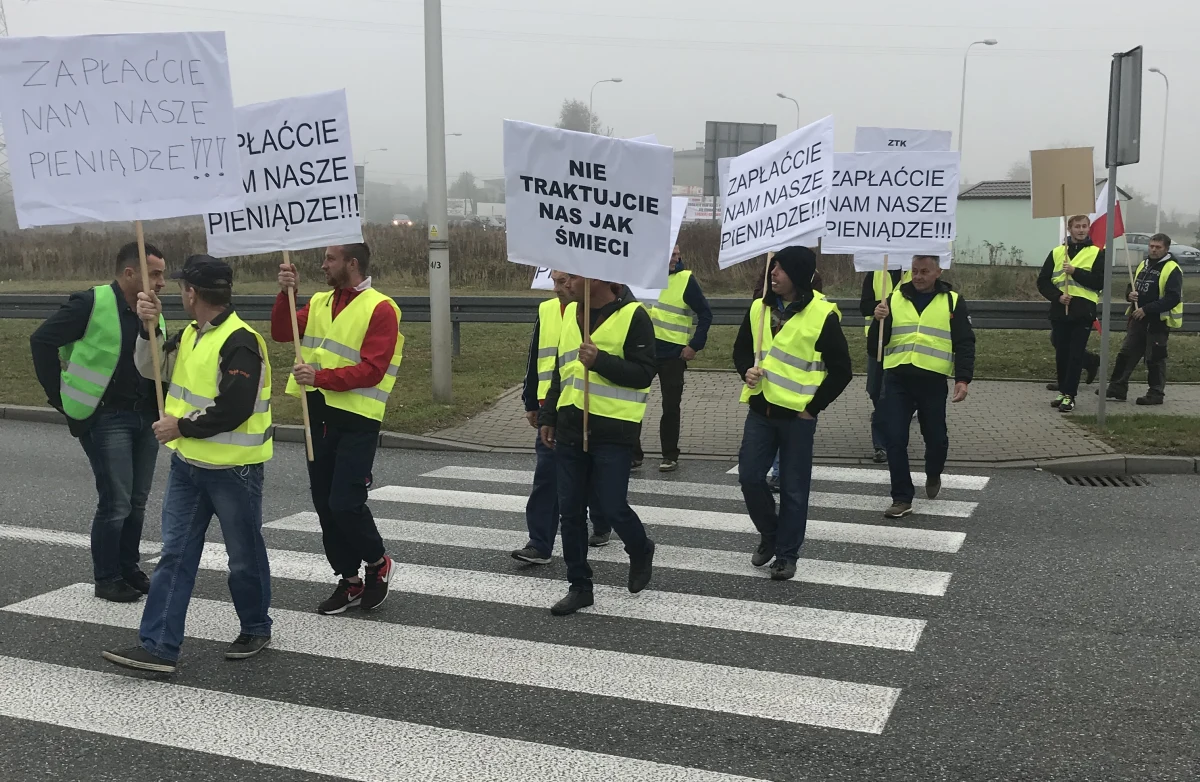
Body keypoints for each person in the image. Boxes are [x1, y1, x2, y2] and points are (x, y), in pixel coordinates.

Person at [102, 255, 274, 674]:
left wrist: (180, 426)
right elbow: (151, 368)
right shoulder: (192, 334)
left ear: (193, 293)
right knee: (175, 556)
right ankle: (159, 646)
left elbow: (234, 407)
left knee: (244, 556)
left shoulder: (241, 341)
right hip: (189, 467)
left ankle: (255, 625)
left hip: (234, 469)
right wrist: (149, 329)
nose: (178, 292)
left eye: (181, 287)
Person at [30, 242, 167, 603]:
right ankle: (107, 578)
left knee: (137, 501)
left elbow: (157, 362)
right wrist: (57, 397)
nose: (162, 282)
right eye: (155, 274)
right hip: (106, 416)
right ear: (129, 274)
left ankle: (128, 568)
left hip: (145, 417)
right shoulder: (90, 303)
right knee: (116, 502)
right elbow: (41, 340)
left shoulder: (152, 309)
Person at [274, 244, 403, 615]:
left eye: (330, 259)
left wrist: (319, 376)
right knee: (324, 505)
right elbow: (284, 332)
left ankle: (378, 563)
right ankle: (349, 580)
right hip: (318, 413)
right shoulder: (318, 302)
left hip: (358, 417)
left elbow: (373, 368)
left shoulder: (381, 307)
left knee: (345, 502)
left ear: (352, 263)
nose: (323, 264)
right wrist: (286, 294)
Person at [539, 276, 657, 615]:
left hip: (614, 431)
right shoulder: (571, 314)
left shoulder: (633, 315)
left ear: (599, 279)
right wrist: (549, 416)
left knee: (611, 505)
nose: (566, 283)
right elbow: (562, 373)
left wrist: (600, 360)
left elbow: (644, 373)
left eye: (572, 277)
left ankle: (640, 547)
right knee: (571, 512)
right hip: (571, 428)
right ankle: (579, 585)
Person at [733, 248, 852, 580]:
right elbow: (741, 349)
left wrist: (813, 408)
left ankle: (786, 554)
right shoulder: (759, 307)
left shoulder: (822, 315)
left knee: (794, 488)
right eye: (773, 268)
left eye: (781, 270)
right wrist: (746, 370)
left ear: (798, 275)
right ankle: (770, 535)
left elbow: (842, 371)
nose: (773, 274)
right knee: (749, 477)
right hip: (760, 410)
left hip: (797, 418)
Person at [870, 254, 976, 519]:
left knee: (936, 437)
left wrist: (962, 379)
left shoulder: (952, 301)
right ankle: (902, 497)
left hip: (932, 380)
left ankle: (933, 472)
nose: (918, 276)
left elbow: (964, 342)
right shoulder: (893, 299)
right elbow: (875, 348)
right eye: (915, 271)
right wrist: (877, 321)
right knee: (894, 438)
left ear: (938, 271)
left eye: (924, 271)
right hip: (898, 378)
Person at [511, 270, 607, 562]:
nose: (556, 288)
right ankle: (540, 543)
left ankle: (602, 521)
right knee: (546, 478)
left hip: (591, 408)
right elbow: (536, 356)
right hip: (552, 410)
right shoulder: (548, 309)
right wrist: (531, 400)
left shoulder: (598, 311)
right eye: (553, 281)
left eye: (562, 281)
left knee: (593, 476)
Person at [634, 244, 713, 472]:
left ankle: (669, 455)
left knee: (670, 407)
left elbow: (705, 313)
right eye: (672, 254)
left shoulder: (685, 280)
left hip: (673, 355)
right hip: (642, 353)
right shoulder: (640, 277)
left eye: (678, 254)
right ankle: (633, 454)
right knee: (632, 403)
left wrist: (694, 345)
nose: (676, 259)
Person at [1037, 215, 1106, 413]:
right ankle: (1062, 391)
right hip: (1061, 310)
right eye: (1077, 226)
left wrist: (1075, 271)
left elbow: (1099, 281)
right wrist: (1057, 296)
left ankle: (1070, 395)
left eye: (1084, 226)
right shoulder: (1057, 252)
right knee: (1062, 355)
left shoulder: (1097, 253)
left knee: (1075, 355)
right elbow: (1043, 281)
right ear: (1070, 229)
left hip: (1083, 312)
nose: (1081, 230)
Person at [1105, 233, 1184, 404]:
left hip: (1157, 322)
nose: (1154, 250)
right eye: (1151, 246)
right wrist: (1130, 295)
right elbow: (1132, 286)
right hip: (1138, 319)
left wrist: (1146, 309)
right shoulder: (1144, 264)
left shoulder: (1172, 269)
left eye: (1158, 247)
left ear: (1166, 249)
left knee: (1155, 358)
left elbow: (1172, 298)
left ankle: (1155, 393)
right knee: (1126, 353)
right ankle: (1117, 387)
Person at [859, 267, 911, 464]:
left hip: (901, 343)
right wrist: (878, 307)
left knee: (885, 394)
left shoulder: (913, 273)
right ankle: (890, 424)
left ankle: (881, 444)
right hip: (877, 344)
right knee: (874, 390)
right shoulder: (875, 273)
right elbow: (863, 306)